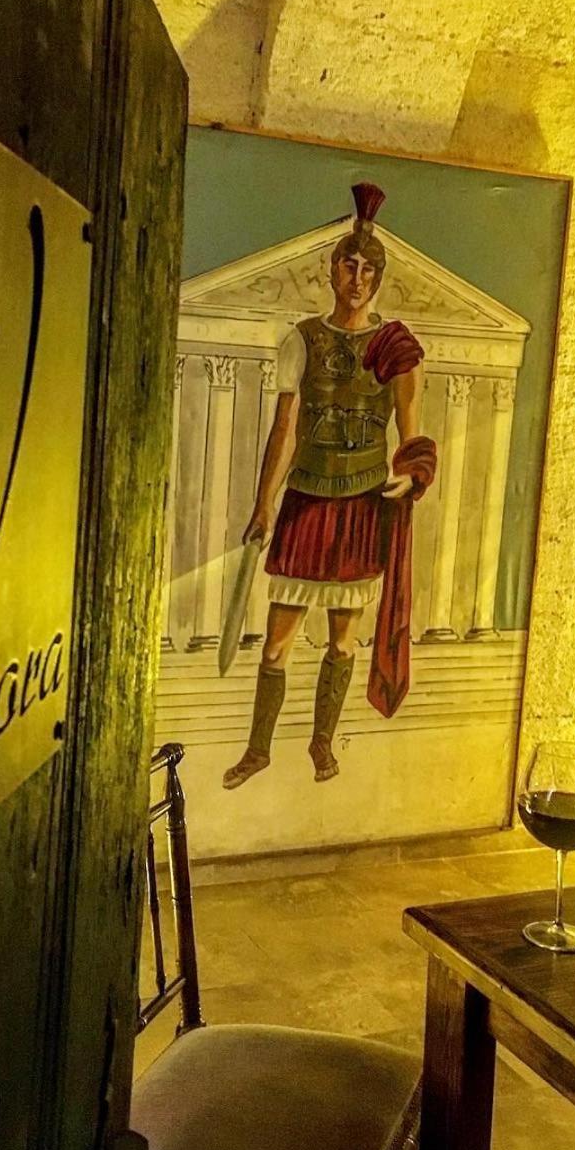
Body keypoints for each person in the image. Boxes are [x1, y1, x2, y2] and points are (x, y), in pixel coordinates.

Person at [223, 183, 437, 790]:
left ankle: (321, 742)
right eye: (349, 265)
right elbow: (284, 429)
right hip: (307, 501)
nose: (357, 278)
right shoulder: (303, 339)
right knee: (277, 643)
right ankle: (258, 749)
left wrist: (409, 476)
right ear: (332, 270)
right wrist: (263, 505)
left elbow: (411, 433)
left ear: (379, 279)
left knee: (343, 641)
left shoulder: (396, 348)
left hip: (362, 505)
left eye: (368, 269)